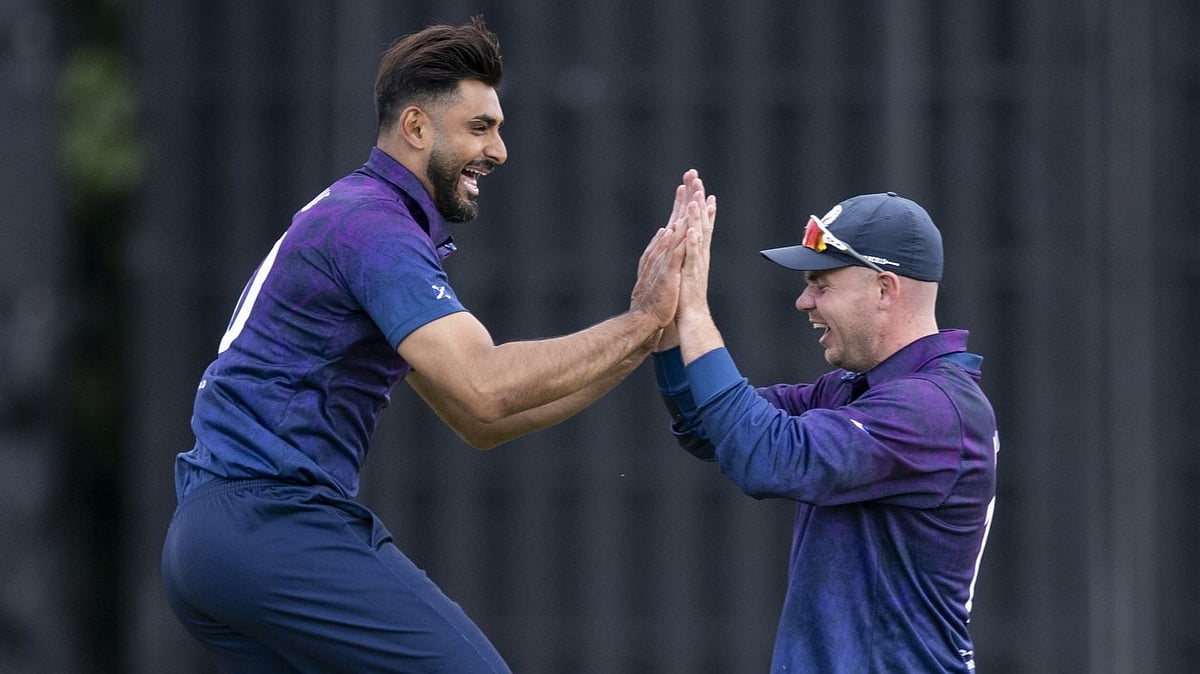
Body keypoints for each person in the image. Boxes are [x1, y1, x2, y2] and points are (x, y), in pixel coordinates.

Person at [161, 17, 690, 673]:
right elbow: (486, 384)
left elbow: (480, 422)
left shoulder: (353, 215)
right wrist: (639, 321)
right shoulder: (374, 227)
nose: (500, 150)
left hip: (213, 543)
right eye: (480, 127)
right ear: (415, 128)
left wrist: (640, 341)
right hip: (271, 525)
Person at [654, 182, 999, 673]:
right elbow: (706, 427)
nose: (804, 301)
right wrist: (667, 329)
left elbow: (767, 460)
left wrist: (694, 313)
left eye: (821, 284)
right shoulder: (859, 389)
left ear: (884, 289)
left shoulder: (932, 407)